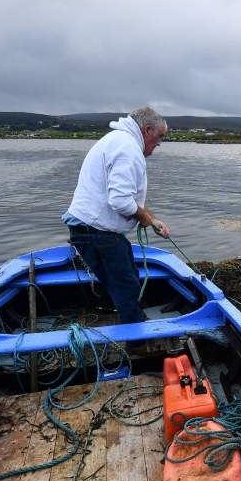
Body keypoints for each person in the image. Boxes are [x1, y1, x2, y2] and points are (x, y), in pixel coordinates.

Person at [62, 106, 170, 326]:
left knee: (128, 273)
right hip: (96, 232)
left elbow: (127, 198)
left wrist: (153, 219)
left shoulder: (119, 141)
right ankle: (136, 341)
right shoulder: (128, 148)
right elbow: (120, 201)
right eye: (160, 137)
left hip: (93, 230)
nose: (160, 143)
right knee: (127, 286)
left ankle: (126, 318)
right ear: (147, 130)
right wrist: (143, 217)